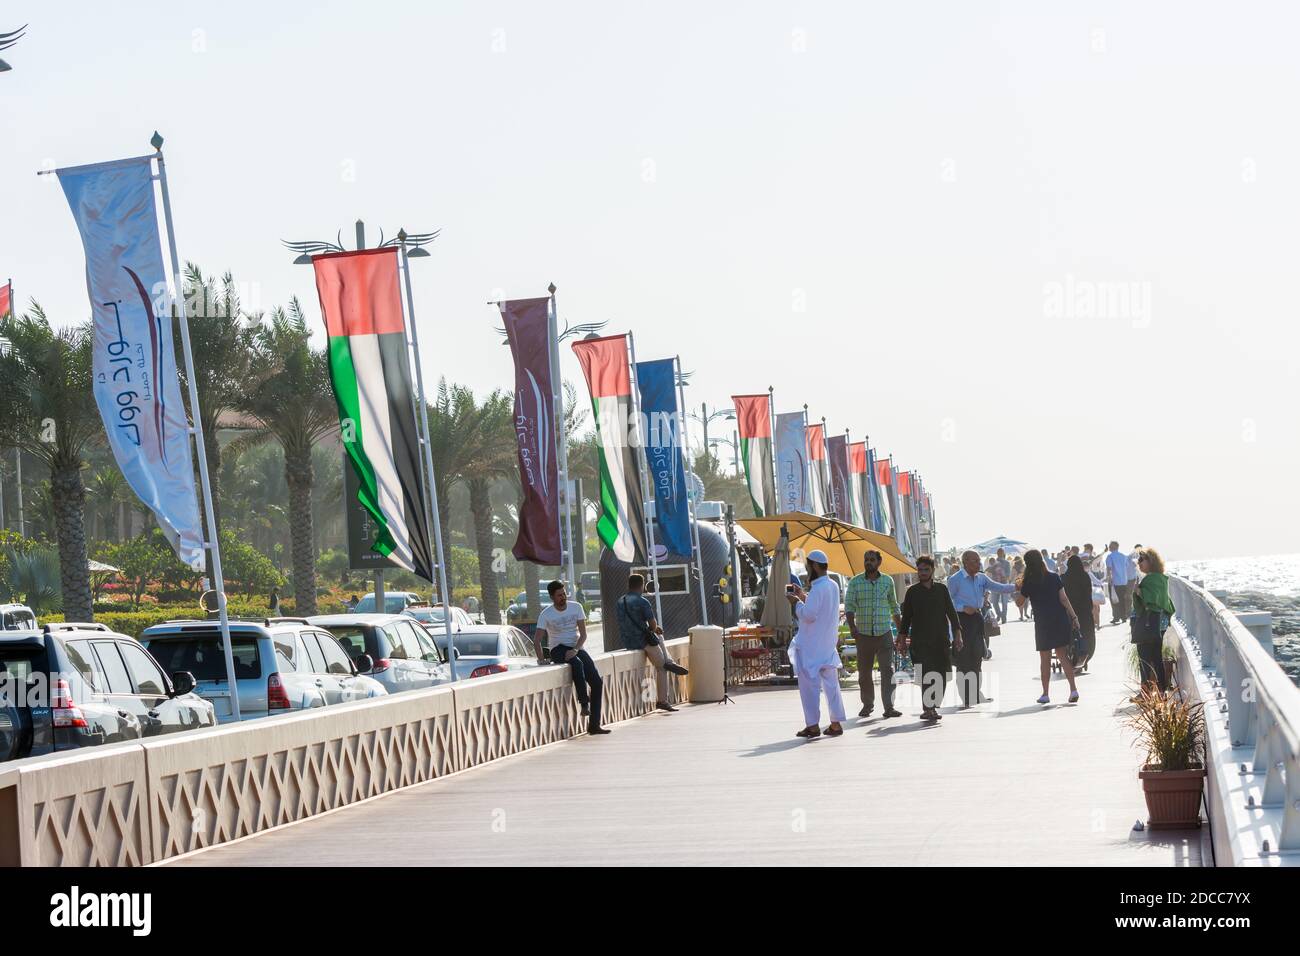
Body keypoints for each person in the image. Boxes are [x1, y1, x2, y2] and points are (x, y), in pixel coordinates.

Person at [786, 549, 846, 739]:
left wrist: (794, 603)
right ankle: (835, 724)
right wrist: (802, 596)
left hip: (811, 646)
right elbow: (818, 607)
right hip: (827, 644)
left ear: (813, 566)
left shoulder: (819, 588)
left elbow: (809, 614)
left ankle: (812, 726)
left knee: (809, 688)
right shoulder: (832, 585)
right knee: (832, 686)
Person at [535, 580, 608, 735]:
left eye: (564, 594)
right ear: (552, 597)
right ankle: (584, 704)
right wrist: (541, 659)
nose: (563, 597)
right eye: (559, 595)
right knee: (576, 664)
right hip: (558, 649)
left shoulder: (576, 607)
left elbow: (583, 634)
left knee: (597, 682)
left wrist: (575, 649)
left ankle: (594, 725)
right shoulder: (546, 614)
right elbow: (537, 640)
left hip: (575, 647)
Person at [946, 550, 1018, 707]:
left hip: (977, 619)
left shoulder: (981, 577)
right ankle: (966, 697)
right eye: (975, 561)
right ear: (965, 562)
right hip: (961, 620)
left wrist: (1016, 586)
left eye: (979, 560)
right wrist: (962, 607)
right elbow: (947, 602)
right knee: (963, 659)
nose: (978, 563)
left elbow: (998, 587)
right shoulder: (955, 579)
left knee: (977, 656)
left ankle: (976, 694)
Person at [898, 555, 963, 722]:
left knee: (941, 675)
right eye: (920, 570)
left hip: (940, 640)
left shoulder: (941, 590)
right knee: (926, 675)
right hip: (920, 642)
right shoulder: (912, 592)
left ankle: (932, 705)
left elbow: (952, 613)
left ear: (932, 570)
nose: (923, 573)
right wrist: (902, 641)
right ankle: (929, 708)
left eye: (926, 569)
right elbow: (906, 619)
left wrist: (958, 635)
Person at [1014, 550, 1081, 704]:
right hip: (1059, 619)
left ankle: (1045, 694)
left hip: (1043, 623)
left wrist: (1019, 588)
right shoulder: (1054, 577)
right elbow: (1064, 599)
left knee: (1045, 658)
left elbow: (1019, 603)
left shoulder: (1029, 581)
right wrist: (1074, 617)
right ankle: (1073, 689)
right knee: (1062, 656)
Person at [615, 573, 689, 713]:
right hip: (643, 641)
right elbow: (653, 624)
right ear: (642, 586)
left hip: (627, 640)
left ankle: (670, 660)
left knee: (659, 640)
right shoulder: (643, 602)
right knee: (662, 667)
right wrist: (654, 628)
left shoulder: (620, 601)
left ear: (629, 585)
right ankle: (662, 700)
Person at [843, 550, 902, 719]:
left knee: (888, 671)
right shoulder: (855, 582)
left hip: (884, 633)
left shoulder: (887, 581)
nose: (868, 562)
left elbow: (894, 606)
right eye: (866, 559)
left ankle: (889, 707)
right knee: (864, 673)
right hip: (863, 634)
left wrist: (900, 631)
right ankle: (867, 704)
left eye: (872, 560)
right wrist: (852, 626)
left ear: (879, 562)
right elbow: (849, 606)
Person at [1131, 547, 1175, 694]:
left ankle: (1146, 691)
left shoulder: (1151, 579)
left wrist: (1138, 591)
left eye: (1142, 560)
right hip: (1159, 623)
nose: (1139, 563)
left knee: (1144, 656)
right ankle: (1161, 690)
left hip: (1151, 622)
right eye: (1138, 560)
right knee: (1156, 656)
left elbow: (1151, 600)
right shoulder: (1160, 578)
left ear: (1151, 561)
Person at [1062, 555, 1097, 668]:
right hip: (1084, 612)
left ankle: (1070, 656)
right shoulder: (1085, 576)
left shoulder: (1064, 578)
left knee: (1069, 635)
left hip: (1069, 611)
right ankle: (1084, 656)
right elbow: (1088, 593)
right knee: (1087, 634)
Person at [1105, 541, 1133, 624]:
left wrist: (1109, 578)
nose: (1109, 547)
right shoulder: (1124, 556)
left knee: (1114, 600)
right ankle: (1123, 617)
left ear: (1113, 546)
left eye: (1110, 545)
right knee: (1122, 599)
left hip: (1114, 582)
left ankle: (1116, 617)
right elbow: (1127, 567)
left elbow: (1109, 569)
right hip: (1124, 581)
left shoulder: (1110, 556)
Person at [991, 547, 1012, 624]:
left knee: (1004, 602)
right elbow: (991, 573)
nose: (999, 554)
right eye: (998, 552)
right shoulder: (994, 562)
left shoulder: (1007, 563)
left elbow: (1008, 574)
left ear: (1003, 553)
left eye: (1001, 552)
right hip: (995, 584)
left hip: (1004, 584)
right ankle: (999, 614)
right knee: (995, 602)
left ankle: (1004, 617)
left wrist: (1001, 574)